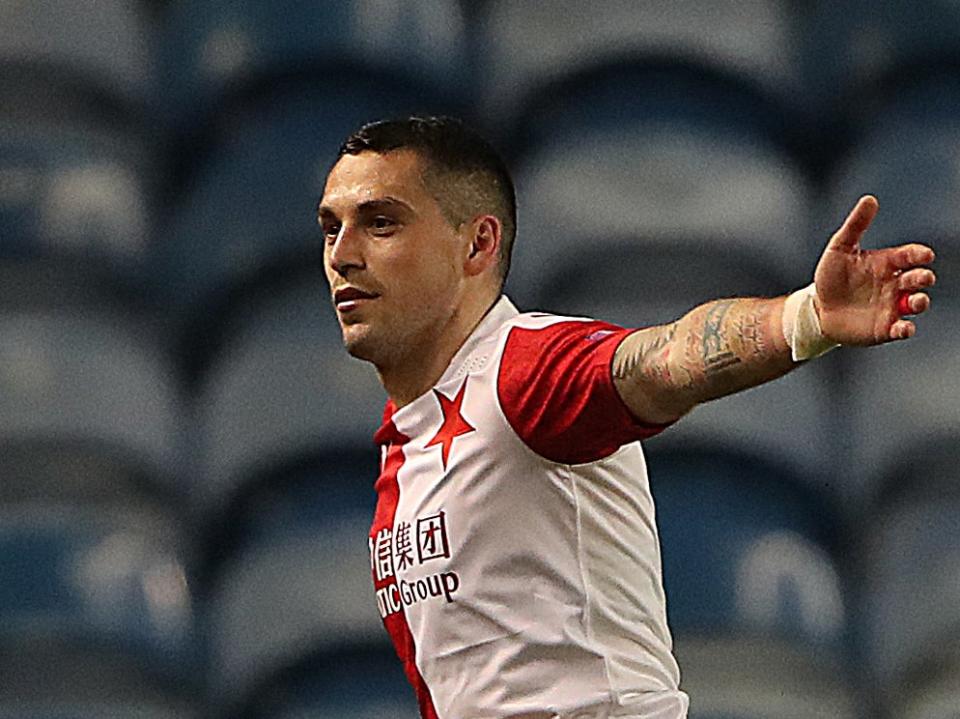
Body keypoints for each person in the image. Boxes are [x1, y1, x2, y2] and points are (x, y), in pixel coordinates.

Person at [317, 115, 936, 719]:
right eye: (330, 229)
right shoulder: (404, 448)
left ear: (478, 244)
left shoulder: (524, 370)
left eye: (381, 223)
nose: (343, 255)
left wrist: (804, 319)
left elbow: (667, 358)